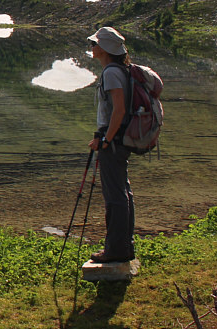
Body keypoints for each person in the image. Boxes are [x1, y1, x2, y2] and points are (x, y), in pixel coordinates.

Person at [86, 26, 135, 263]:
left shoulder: (111, 73)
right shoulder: (118, 70)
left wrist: (106, 140)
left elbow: (119, 109)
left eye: (94, 44)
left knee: (115, 196)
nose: (91, 47)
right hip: (117, 140)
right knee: (123, 192)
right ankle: (125, 245)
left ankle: (116, 249)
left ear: (104, 49)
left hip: (113, 141)